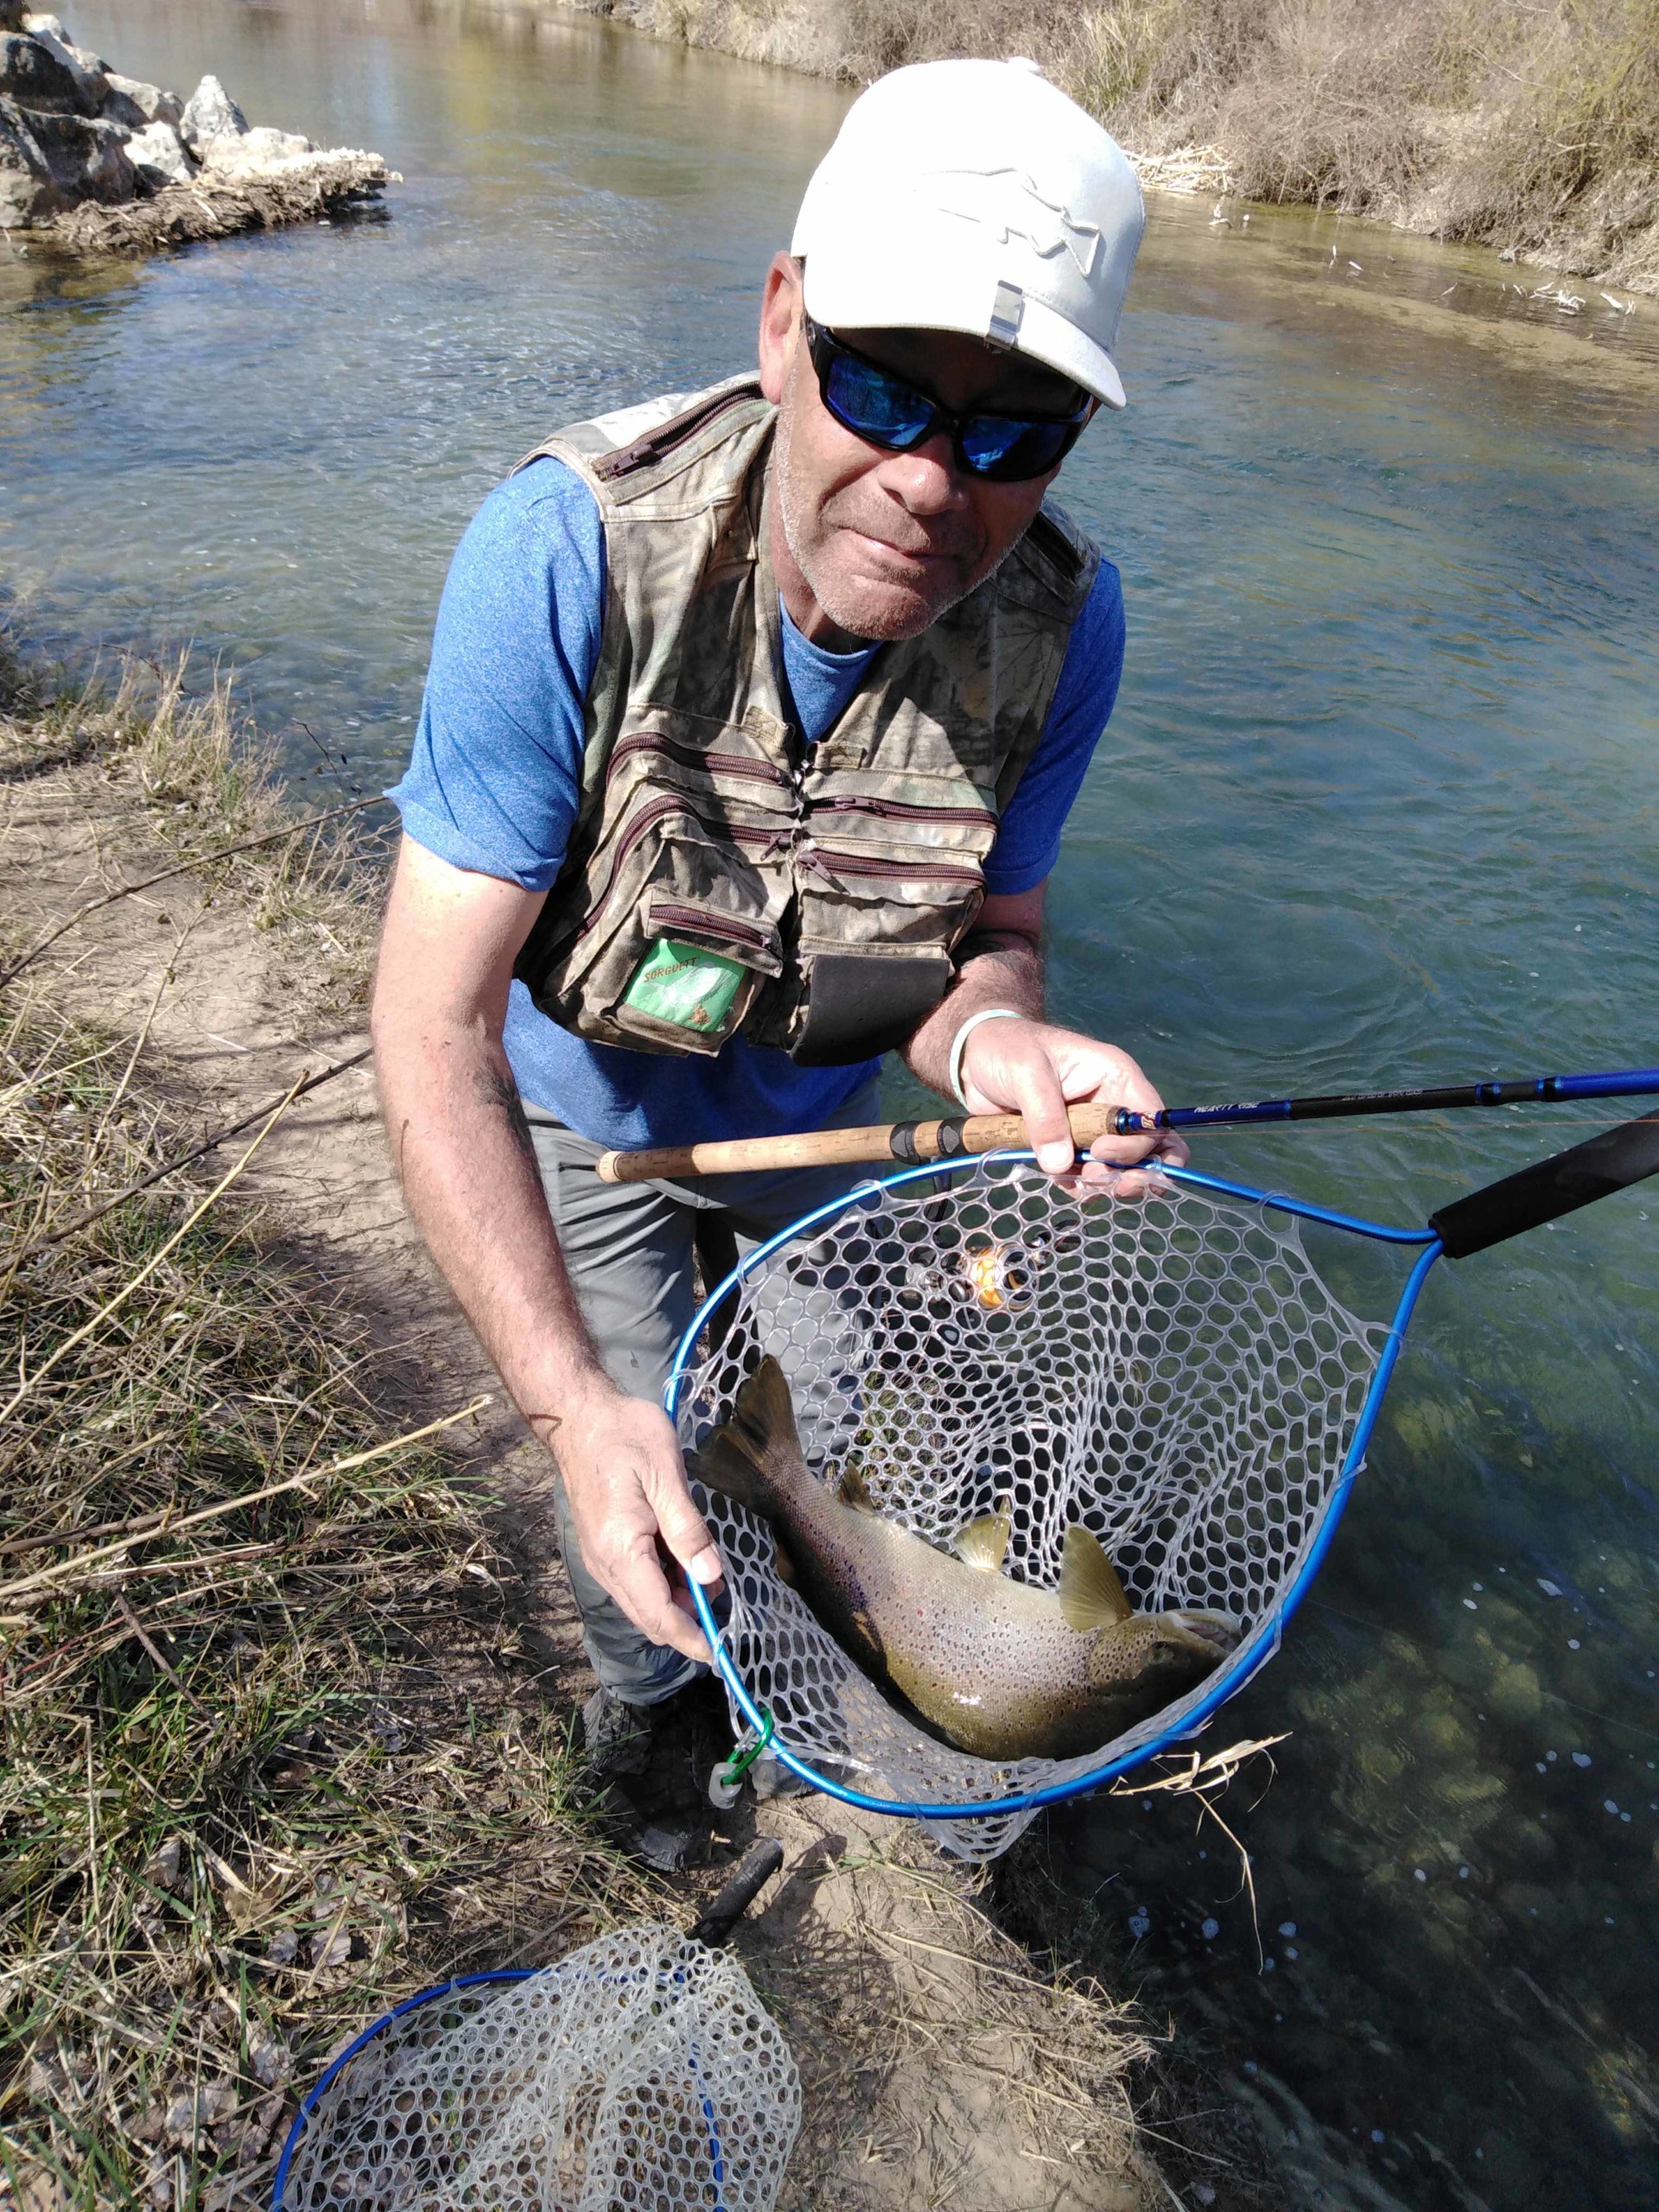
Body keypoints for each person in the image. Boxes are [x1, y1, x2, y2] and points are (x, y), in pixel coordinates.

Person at [372, 55, 1187, 1785]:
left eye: (1013, 431)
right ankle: (649, 1723)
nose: (930, 477)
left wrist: (1000, 1035)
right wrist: (571, 1410)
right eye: (884, 387)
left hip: (816, 1121)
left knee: (848, 1447)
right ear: (781, 325)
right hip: (582, 1120)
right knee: (643, 1475)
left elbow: (993, 941)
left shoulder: (1068, 631)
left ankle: (826, 1686)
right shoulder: (567, 550)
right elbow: (429, 1024)